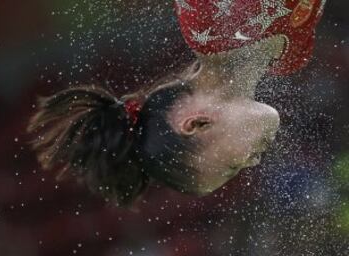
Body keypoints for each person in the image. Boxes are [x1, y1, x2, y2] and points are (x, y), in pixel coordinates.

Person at [28, 0, 326, 205]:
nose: (254, 161)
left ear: (197, 123)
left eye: (233, 166)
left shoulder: (208, 18)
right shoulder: (289, 58)